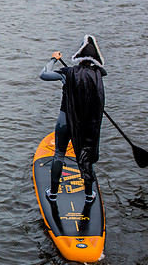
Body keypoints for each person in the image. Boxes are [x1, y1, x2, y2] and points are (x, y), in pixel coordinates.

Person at [39, 36, 107, 204]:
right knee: (86, 155)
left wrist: (53, 59)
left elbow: (43, 75)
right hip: (85, 124)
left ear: (79, 57)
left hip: (65, 121)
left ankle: (53, 193)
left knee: (59, 154)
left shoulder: (68, 73)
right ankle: (89, 194)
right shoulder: (98, 75)